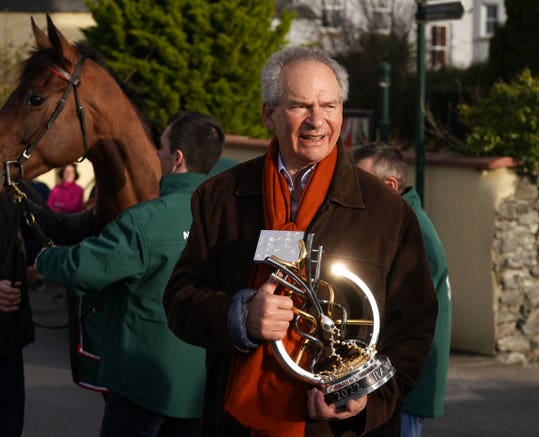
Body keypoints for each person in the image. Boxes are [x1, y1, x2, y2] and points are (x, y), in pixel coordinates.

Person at [163, 47, 438, 436]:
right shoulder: (219, 198)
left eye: (329, 105)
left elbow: (413, 328)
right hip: (237, 423)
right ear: (268, 114)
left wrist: (366, 402)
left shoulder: (387, 211)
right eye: (299, 106)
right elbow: (179, 300)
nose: (317, 120)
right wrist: (239, 316)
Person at [35, 111, 225, 437]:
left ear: (177, 159)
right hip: (200, 389)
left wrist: (44, 259)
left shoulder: (145, 219)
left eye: (161, 147)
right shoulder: (226, 219)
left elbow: (84, 267)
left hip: (140, 385)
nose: (156, 153)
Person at [352, 143, 452, 437]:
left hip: (404, 387)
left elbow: (408, 320)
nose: (351, 189)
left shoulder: (414, 235)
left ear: (390, 186)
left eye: (360, 181)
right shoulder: (397, 223)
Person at [1, 180, 104, 437]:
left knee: (10, 426)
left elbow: (59, 229)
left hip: (7, 343)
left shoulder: (12, 190)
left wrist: (100, 209)